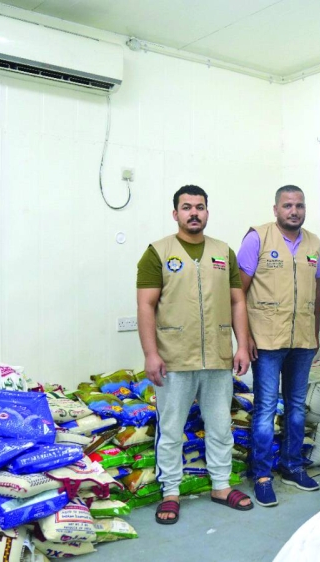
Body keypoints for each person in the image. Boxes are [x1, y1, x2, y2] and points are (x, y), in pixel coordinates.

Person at [136, 184, 253, 524]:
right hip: (174, 357)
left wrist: (242, 345)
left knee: (220, 426)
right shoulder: (157, 253)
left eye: (199, 207)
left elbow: (237, 301)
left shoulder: (223, 252)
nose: (194, 213)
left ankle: (221, 486)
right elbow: (145, 305)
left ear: (207, 212)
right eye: (186, 207)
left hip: (217, 356)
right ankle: (171, 492)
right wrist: (150, 353)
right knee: (171, 429)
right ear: (176, 213)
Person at [237, 185, 320, 508]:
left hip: (302, 340)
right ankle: (261, 475)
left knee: (297, 407)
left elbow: (317, 291)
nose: (294, 211)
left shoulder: (314, 243)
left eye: (299, 205)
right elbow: (237, 294)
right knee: (266, 408)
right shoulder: (257, 238)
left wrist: (315, 333)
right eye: (287, 205)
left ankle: (292, 467)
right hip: (266, 340)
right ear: (276, 209)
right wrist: (244, 338)